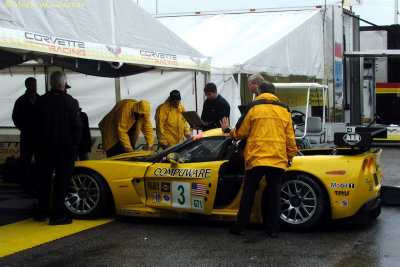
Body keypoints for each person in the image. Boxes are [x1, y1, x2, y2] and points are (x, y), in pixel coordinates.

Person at [221, 81, 297, 237]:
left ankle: (241, 227)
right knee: (274, 194)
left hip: (256, 158)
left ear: (259, 92)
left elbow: (240, 132)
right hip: (277, 158)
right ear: (274, 93)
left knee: (248, 193)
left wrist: (230, 132)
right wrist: (290, 156)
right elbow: (290, 137)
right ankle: (273, 229)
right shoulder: (285, 110)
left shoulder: (253, 107)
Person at [34, 71, 82, 225]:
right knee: (62, 181)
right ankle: (57, 215)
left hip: (43, 147)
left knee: (44, 180)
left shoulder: (40, 101)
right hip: (64, 148)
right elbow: (77, 125)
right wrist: (74, 143)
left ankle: (42, 212)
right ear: (64, 84)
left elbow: (32, 124)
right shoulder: (69, 101)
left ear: (50, 84)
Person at [12, 77, 40, 193]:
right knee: (25, 161)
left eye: (35, 85)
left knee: (40, 160)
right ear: (27, 86)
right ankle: (24, 183)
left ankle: (38, 182)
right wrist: (24, 128)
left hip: (39, 136)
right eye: (32, 85)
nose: (34, 87)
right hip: (27, 136)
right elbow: (15, 117)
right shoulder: (21, 101)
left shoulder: (40, 99)